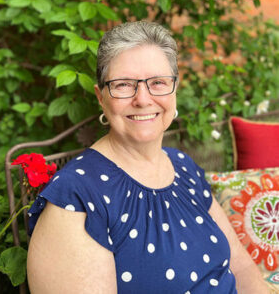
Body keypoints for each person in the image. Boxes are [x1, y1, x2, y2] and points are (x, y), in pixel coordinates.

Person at [27, 21, 269, 294]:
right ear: (101, 97)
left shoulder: (182, 167)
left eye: (157, 83)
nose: (143, 99)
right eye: (123, 85)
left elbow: (243, 269)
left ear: (174, 90)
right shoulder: (78, 197)